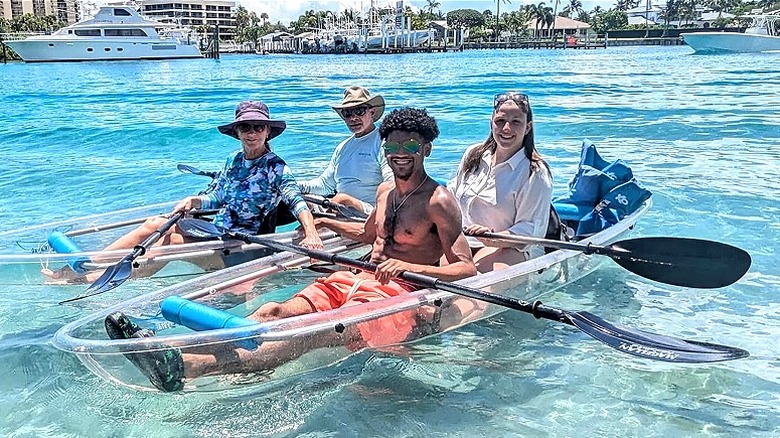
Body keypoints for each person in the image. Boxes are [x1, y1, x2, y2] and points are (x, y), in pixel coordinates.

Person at [104, 107, 477, 392]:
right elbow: (368, 235)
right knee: (274, 310)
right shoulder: (384, 192)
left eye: (409, 145)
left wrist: (408, 269)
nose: (400, 152)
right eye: (392, 144)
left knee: (309, 332)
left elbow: (465, 268)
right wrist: (326, 224)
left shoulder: (439, 201)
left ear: (426, 148)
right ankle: (169, 344)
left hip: (400, 293)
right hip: (354, 277)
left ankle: (183, 365)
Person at [43, 100, 323, 281]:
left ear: (267, 132)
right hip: (218, 232)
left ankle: (90, 278)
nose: (252, 132)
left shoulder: (276, 166)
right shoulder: (233, 161)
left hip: (243, 245)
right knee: (156, 224)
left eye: (258, 127)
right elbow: (219, 197)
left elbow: (296, 201)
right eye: (245, 127)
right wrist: (195, 201)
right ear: (237, 132)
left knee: (169, 242)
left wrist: (311, 233)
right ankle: (86, 266)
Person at [448, 92, 553, 273]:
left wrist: (492, 238)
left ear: (528, 127)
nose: (506, 128)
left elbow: (530, 229)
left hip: (510, 250)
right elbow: (451, 194)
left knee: (471, 289)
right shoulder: (473, 154)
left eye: (515, 122)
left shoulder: (535, 172)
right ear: (491, 122)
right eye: (500, 121)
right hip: (463, 242)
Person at [298, 86, 393, 216]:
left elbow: (391, 184)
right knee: (295, 199)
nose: (353, 118)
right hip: (340, 209)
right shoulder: (342, 148)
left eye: (359, 111)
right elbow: (325, 185)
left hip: (370, 212)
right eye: (348, 113)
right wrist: (294, 186)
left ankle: (315, 230)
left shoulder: (384, 142)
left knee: (342, 199)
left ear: (371, 113)